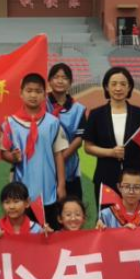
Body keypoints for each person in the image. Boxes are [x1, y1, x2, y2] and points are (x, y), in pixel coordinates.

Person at [0, 73, 68, 228]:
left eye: (38, 91)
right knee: (22, 232)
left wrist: (61, 185)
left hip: (48, 188)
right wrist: (13, 157)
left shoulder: (52, 122)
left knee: (49, 231)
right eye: (29, 91)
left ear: (44, 95)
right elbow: (3, 153)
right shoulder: (10, 123)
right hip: (20, 190)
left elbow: (58, 154)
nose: (33, 95)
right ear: (21, 93)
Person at [84, 66, 140, 208]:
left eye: (123, 84)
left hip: (135, 180)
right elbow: (88, 147)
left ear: (129, 87)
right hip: (105, 177)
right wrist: (110, 152)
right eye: (113, 84)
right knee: (107, 217)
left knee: (135, 218)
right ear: (106, 87)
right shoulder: (96, 114)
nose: (118, 88)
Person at [46, 62, 88, 204]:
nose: (60, 81)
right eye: (56, 77)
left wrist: (60, 158)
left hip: (70, 167)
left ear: (70, 82)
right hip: (44, 166)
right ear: (49, 81)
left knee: (72, 207)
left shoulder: (78, 109)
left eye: (64, 78)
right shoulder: (41, 104)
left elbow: (79, 139)